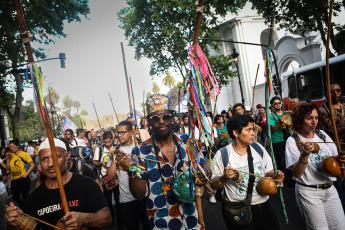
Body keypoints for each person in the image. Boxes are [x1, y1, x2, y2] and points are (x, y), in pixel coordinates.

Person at [117, 93, 209, 229]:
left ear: (172, 118)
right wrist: (132, 169)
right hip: (162, 222)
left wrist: (206, 172)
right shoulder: (140, 151)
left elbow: (203, 166)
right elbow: (139, 195)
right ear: (149, 121)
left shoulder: (187, 141)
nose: (161, 121)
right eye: (155, 118)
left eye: (165, 117)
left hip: (193, 218)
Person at [6, 138, 112, 229]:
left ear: (67, 156)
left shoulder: (87, 184)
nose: (51, 164)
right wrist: (19, 220)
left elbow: (107, 217)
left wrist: (84, 219)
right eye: (44, 159)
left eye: (56, 157)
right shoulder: (33, 199)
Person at [211, 114, 284, 230]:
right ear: (236, 133)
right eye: (248, 130)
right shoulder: (222, 155)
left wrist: (276, 176)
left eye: (253, 129)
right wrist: (225, 177)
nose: (253, 133)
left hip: (263, 206)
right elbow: (214, 184)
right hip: (238, 210)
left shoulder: (258, 149)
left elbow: (268, 172)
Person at [285, 102, 345, 229]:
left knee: (339, 227)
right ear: (300, 120)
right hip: (309, 192)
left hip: (330, 189)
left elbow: (335, 158)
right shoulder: (293, 141)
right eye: (309, 118)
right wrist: (305, 155)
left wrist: (340, 159)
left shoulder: (322, 135)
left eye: (316, 118)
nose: (314, 122)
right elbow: (297, 173)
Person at [107, 121, 149, 230]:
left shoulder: (141, 149)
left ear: (131, 132)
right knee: (131, 227)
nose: (119, 135)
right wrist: (115, 159)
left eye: (122, 132)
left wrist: (132, 165)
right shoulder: (116, 151)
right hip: (126, 198)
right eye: (118, 133)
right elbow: (110, 177)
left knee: (148, 225)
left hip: (144, 196)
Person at [6, 138, 34, 207]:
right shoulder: (10, 156)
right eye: (10, 147)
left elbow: (32, 165)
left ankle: (28, 210)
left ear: (17, 146)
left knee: (25, 196)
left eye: (13, 146)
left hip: (23, 178)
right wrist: (7, 159)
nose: (11, 148)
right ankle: (24, 207)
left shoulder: (24, 154)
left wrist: (26, 174)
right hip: (14, 180)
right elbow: (7, 169)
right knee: (15, 197)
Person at [269, 97, 290, 172]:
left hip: (287, 139)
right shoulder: (271, 115)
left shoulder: (285, 114)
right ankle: (281, 178)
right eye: (275, 103)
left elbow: (290, 126)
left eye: (279, 103)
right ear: (272, 106)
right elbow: (273, 129)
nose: (278, 105)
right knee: (280, 162)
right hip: (276, 141)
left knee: (289, 160)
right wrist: (280, 122)